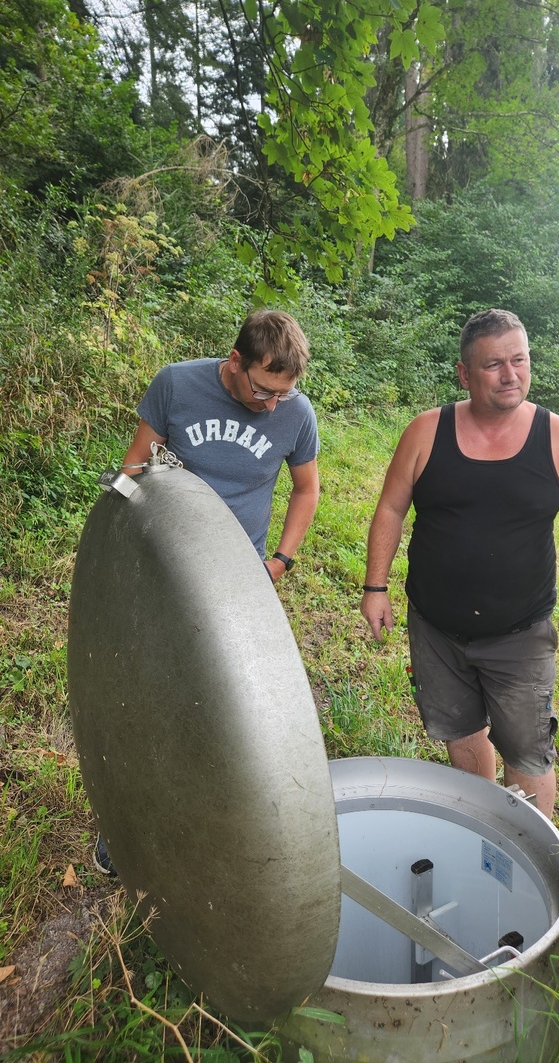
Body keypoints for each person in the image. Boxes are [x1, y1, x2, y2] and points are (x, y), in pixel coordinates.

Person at [93, 308, 320, 874]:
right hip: (163, 566)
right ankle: (126, 826)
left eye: (283, 394)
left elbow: (306, 489)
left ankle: (213, 822)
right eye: (263, 390)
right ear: (235, 361)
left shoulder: (295, 412)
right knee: (147, 696)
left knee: (224, 705)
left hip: (239, 580)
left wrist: (280, 561)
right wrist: (112, 542)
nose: (272, 406)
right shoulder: (177, 384)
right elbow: (133, 467)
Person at [360, 308, 559, 820]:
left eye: (520, 360)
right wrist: (375, 587)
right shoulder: (426, 432)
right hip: (435, 627)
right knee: (460, 730)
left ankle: (531, 849)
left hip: (520, 631)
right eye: (493, 365)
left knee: (527, 749)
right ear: (464, 374)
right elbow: (391, 509)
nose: (511, 374)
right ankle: (479, 825)